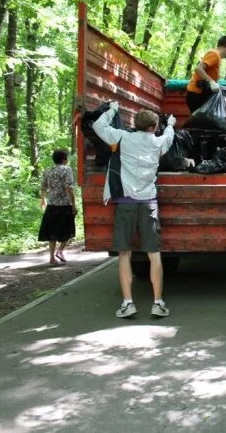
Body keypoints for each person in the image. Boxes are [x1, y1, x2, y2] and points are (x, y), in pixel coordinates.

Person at [92, 102, 176, 319]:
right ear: (154, 127)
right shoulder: (158, 143)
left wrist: (112, 109)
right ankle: (158, 302)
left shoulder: (122, 137)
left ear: (135, 125)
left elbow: (98, 126)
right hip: (149, 203)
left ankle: (128, 303)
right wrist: (171, 124)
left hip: (125, 203)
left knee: (124, 254)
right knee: (154, 253)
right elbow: (169, 136)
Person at [38, 149, 77, 265]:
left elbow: (43, 187)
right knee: (68, 230)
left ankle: (51, 258)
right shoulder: (67, 170)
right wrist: (73, 205)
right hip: (64, 205)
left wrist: (43, 200)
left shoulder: (48, 170)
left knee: (52, 232)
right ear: (64, 159)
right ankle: (60, 251)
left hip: (52, 205)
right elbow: (69, 188)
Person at [185, 35, 226, 113]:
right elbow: (198, 68)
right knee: (200, 122)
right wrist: (211, 81)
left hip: (200, 94)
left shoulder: (217, 57)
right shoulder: (215, 54)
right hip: (196, 94)